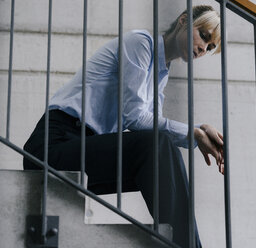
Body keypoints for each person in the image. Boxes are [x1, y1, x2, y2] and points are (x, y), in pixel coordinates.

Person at [23, 5, 224, 248]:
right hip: (53, 145)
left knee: (161, 151)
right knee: (158, 145)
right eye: (203, 35)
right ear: (183, 21)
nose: (204, 49)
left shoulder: (160, 75)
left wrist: (199, 130)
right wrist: (194, 133)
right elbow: (135, 118)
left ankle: (182, 242)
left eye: (211, 47)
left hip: (85, 151)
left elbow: (150, 126)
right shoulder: (141, 43)